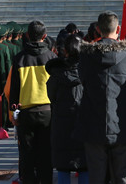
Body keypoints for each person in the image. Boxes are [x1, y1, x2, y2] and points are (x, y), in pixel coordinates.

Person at [77, 11, 126, 184]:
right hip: (122, 123)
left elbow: (82, 81)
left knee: (96, 177)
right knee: (122, 176)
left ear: (97, 29)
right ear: (118, 29)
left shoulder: (86, 57)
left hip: (93, 123)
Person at [7, 20, 55, 184]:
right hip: (47, 111)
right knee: (46, 152)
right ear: (45, 36)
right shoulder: (51, 57)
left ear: (27, 35)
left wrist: (13, 112)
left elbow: (14, 88)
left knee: (27, 153)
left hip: (26, 111)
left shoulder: (19, 58)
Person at [48, 34, 88, 184]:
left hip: (61, 122)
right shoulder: (88, 72)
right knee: (84, 165)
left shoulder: (56, 73)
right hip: (83, 121)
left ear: (65, 51)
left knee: (63, 166)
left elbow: (51, 96)